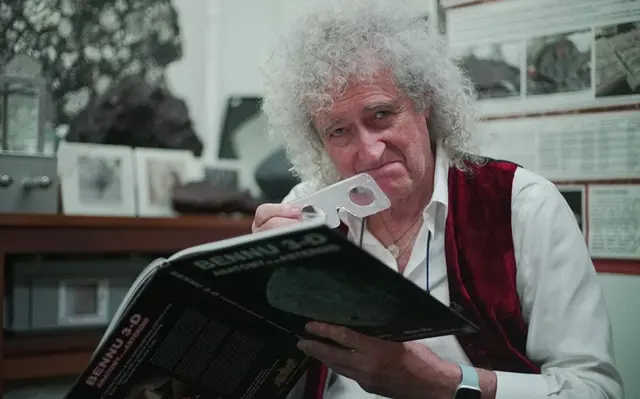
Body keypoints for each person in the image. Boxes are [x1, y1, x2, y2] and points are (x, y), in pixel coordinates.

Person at [252, 0, 624, 398]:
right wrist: (253, 289)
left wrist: (445, 383)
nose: (370, 151)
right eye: (338, 131)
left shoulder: (522, 206)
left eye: (381, 115)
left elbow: (595, 390)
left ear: (424, 102)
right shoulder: (305, 212)